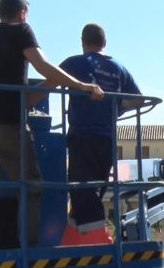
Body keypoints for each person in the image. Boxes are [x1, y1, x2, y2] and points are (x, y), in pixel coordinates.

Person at [0, 0, 104, 251]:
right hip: (8, 125)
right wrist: (80, 85)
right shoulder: (22, 31)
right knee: (31, 186)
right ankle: (29, 247)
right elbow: (43, 66)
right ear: (22, 14)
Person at [57, 23, 142, 238]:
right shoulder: (119, 69)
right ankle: (76, 238)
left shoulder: (75, 63)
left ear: (83, 42)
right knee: (92, 190)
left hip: (83, 136)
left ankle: (98, 239)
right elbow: (139, 100)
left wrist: (29, 101)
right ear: (104, 43)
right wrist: (118, 107)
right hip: (107, 139)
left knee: (83, 190)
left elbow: (52, 80)